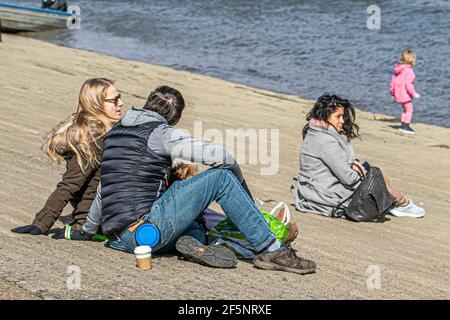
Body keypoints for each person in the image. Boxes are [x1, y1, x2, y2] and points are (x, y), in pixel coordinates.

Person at [58, 85, 316, 275]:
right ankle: (272, 250)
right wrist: (243, 193)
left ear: (147, 104)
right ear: (175, 118)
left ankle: (190, 241)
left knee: (191, 214)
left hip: (118, 238)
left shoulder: (115, 134)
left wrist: (88, 230)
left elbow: (105, 188)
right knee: (222, 178)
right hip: (146, 233)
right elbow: (222, 156)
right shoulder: (161, 133)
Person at [11, 78, 123, 236]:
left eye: (120, 97)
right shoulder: (93, 138)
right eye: (114, 100)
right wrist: (42, 223)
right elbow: (70, 185)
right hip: (95, 218)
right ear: (96, 104)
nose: (121, 103)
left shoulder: (109, 130)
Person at [292, 93, 425, 219]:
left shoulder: (316, 132)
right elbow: (348, 178)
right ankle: (402, 204)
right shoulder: (325, 141)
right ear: (325, 116)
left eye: (343, 116)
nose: (342, 121)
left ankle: (398, 203)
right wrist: (360, 170)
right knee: (376, 173)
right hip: (325, 195)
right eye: (338, 117)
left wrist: (356, 167)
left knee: (369, 172)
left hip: (316, 190)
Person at [390, 49, 421, 135]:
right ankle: (406, 125)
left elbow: (393, 82)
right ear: (412, 60)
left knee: (405, 110)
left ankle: (403, 124)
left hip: (398, 94)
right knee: (409, 110)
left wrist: (392, 93)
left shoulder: (398, 69)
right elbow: (409, 85)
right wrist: (414, 94)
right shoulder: (409, 72)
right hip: (405, 95)